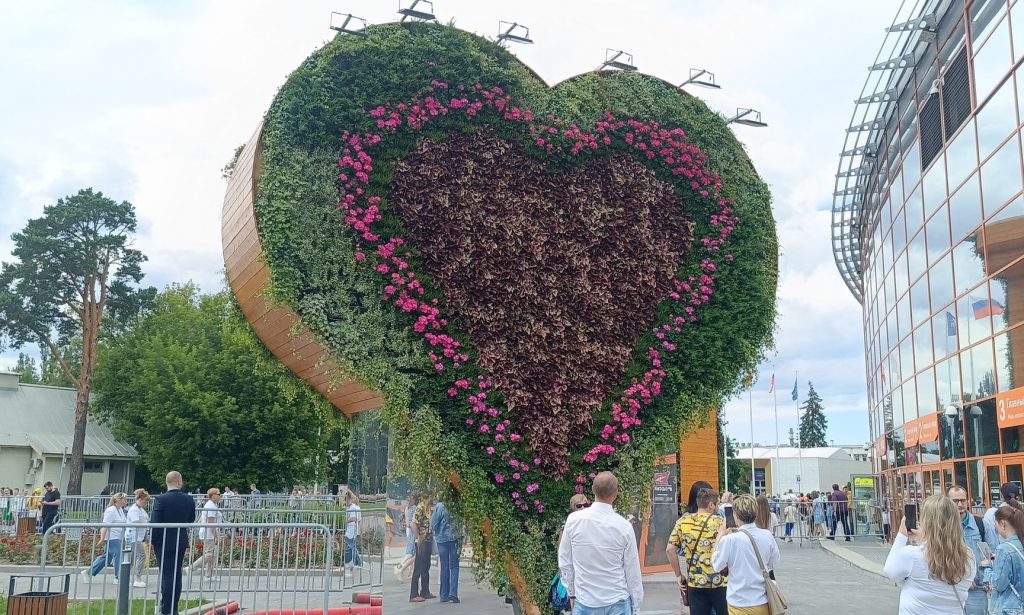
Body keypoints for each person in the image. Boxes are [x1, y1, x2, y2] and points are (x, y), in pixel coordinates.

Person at [558, 471, 644, 615]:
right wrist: (636, 605)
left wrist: (571, 593)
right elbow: (632, 570)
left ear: (593, 490)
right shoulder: (624, 527)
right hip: (617, 600)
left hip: (585, 600)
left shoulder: (573, 521)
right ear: (616, 493)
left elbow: (565, 562)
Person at [883, 495, 974, 614]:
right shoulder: (968, 556)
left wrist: (901, 535)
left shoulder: (913, 554)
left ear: (927, 522)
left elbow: (890, 572)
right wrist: (924, 539)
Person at [711, 494, 781, 614]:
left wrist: (719, 536)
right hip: (761, 599)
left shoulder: (730, 539)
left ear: (735, 515)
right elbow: (775, 558)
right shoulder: (767, 535)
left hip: (739, 600)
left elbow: (716, 565)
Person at [667, 487, 727, 615]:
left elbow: (670, 549)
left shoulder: (683, 521)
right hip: (720, 583)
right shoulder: (721, 522)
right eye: (717, 504)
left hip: (695, 583)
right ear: (711, 505)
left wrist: (679, 575)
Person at [152, 472, 197, 615]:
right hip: (180, 540)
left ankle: (167, 609)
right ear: (179, 481)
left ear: (167, 482)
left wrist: (153, 542)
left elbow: (155, 523)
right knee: (176, 575)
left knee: (166, 575)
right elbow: (191, 519)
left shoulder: (161, 499)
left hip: (164, 541)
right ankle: (173, 607)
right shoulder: (189, 499)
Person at [944, 486, 988, 615]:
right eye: (955, 501)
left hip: (977, 589)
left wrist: (988, 578)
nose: (960, 504)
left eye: (963, 500)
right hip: (950, 588)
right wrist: (962, 577)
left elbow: (989, 553)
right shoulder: (941, 526)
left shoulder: (980, 524)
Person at [80, 492, 128, 584]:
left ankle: (89, 572)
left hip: (116, 537)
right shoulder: (111, 510)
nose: (126, 501)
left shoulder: (120, 510)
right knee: (118, 555)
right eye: (124, 499)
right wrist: (102, 538)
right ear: (118, 500)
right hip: (111, 537)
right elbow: (104, 525)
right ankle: (118, 577)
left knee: (107, 557)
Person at [990, 504, 1024, 614]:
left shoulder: (1004, 549)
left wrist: (987, 568)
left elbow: (999, 584)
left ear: (1002, 523)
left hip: (1009, 607)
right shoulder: (1020, 544)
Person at [186, 488, 222, 583]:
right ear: (213, 495)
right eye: (218, 494)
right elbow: (210, 522)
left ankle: (208, 575)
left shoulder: (212, 505)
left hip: (210, 532)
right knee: (209, 554)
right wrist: (215, 535)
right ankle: (191, 568)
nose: (220, 496)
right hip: (209, 533)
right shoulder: (211, 506)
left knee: (212, 555)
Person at [432, 498, 462, 604]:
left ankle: (444, 595)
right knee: (454, 566)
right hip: (455, 538)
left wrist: (438, 531)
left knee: (444, 566)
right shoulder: (459, 504)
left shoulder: (440, 506)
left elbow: (433, 524)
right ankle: (453, 593)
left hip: (442, 539)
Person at [409, 492, 436, 603]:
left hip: (428, 540)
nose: (434, 498)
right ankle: (413, 594)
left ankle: (425, 591)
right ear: (428, 496)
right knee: (418, 567)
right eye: (432, 496)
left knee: (426, 566)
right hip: (422, 541)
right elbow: (413, 524)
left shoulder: (428, 508)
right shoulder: (420, 507)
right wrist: (418, 537)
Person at [985, 482, 1023, 549]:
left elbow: (991, 539)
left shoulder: (992, 513)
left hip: (1002, 553)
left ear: (1001, 496)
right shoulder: (1020, 512)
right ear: (1018, 497)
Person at [126, 489, 151, 588]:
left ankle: (135, 577)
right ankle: (138, 578)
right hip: (133, 536)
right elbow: (135, 521)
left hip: (138, 536)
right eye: (145, 501)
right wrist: (146, 523)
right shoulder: (134, 510)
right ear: (140, 499)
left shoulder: (140, 509)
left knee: (135, 557)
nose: (146, 503)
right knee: (141, 556)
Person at [395, 494, 418, 581]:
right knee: (410, 554)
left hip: (410, 532)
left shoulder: (407, 508)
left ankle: (410, 572)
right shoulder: (413, 508)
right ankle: (399, 568)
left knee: (412, 554)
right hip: (413, 532)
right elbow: (410, 523)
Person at [344, 491, 363, 573]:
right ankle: (353, 563)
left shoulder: (355, 508)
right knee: (350, 547)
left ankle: (358, 563)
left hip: (352, 530)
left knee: (352, 547)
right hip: (348, 530)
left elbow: (356, 519)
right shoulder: (348, 508)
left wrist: (346, 521)